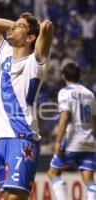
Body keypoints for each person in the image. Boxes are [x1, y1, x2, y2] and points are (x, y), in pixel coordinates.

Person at [0, 12, 53, 200]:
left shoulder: (35, 62)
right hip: (2, 137)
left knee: (15, 196)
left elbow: (46, 26)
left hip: (22, 136)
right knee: (7, 195)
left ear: (31, 38)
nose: (11, 29)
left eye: (20, 27)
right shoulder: (5, 53)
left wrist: (30, 27)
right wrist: (17, 25)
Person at [47, 62, 96, 200]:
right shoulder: (90, 94)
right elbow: (94, 120)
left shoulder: (65, 92)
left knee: (53, 173)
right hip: (89, 141)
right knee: (89, 180)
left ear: (64, 76)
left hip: (72, 141)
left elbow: (65, 117)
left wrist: (58, 141)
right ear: (79, 75)